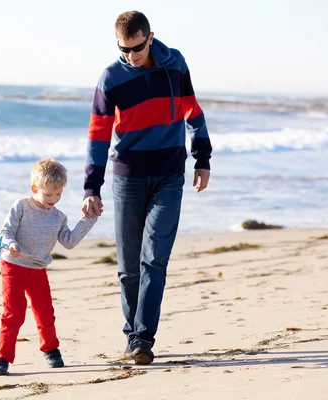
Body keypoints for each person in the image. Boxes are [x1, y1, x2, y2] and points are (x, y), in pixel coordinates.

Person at [82, 10, 212, 365]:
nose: (131, 56)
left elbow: (192, 110)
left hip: (170, 173)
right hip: (128, 176)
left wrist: (202, 158)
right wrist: (91, 187)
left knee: (154, 258)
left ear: (150, 37)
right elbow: (98, 134)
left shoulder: (175, 63)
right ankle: (132, 332)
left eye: (136, 48)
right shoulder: (110, 77)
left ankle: (142, 339)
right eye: (124, 49)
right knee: (128, 266)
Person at [0, 158, 98, 376]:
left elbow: (68, 241)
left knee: (45, 313)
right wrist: (11, 244)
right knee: (14, 313)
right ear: (34, 188)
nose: (53, 199)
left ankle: (51, 350)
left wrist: (89, 220)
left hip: (38, 270)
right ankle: (2, 358)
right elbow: (5, 232)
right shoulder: (21, 206)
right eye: (48, 194)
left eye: (58, 194)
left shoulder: (59, 217)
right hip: (14, 267)